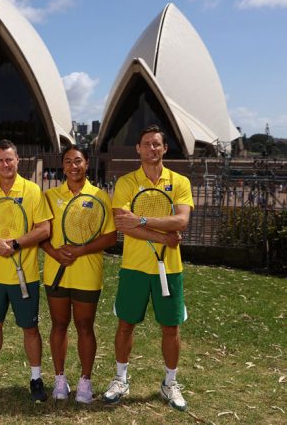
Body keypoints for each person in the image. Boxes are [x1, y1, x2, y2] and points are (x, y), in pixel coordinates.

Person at [103, 125, 193, 411]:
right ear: (138, 149)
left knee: (171, 327)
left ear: (165, 148)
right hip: (134, 268)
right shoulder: (127, 182)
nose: (151, 148)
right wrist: (160, 234)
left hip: (171, 268)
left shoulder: (179, 181)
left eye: (157, 144)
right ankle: (120, 379)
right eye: (146, 143)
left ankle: (169, 383)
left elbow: (181, 221)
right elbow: (122, 224)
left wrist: (141, 221)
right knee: (126, 324)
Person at [0, 139, 52, 402]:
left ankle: (36, 378)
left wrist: (15, 244)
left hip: (25, 275)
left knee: (30, 328)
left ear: (18, 160)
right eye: (0, 160)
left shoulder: (32, 191)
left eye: (10, 159)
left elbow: (44, 229)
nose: (5, 164)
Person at [40, 146, 117, 403]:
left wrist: (81, 249)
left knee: (85, 326)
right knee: (59, 325)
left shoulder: (100, 196)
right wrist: (53, 252)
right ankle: (59, 379)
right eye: (68, 162)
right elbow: (41, 234)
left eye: (78, 161)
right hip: (56, 274)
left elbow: (110, 236)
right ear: (62, 167)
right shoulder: (49, 196)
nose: (74, 166)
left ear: (86, 164)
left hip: (87, 273)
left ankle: (85, 381)